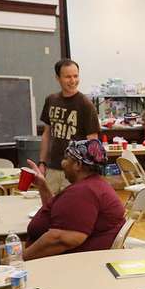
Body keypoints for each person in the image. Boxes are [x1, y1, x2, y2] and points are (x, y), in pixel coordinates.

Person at [19, 139, 125, 259]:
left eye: (66, 159)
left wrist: (19, 260)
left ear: (78, 165)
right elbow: (60, 214)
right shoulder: (93, 185)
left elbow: (61, 239)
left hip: (68, 267)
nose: (62, 163)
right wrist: (42, 186)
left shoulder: (84, 192)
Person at [39, 59, 100, 194]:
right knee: (48, 207)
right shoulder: (51, 100)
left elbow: (93, 141)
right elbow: (47, 134)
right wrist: (42, 163)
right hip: (53, 168)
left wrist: (90, 173)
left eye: (75, 76)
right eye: (68, 77)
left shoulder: (86, 105)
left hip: (75, 171)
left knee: (70, 209)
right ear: (58, 78)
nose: (73, 81)